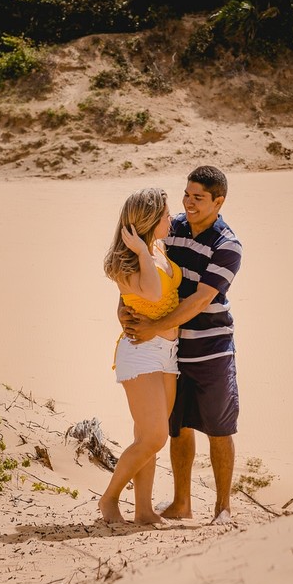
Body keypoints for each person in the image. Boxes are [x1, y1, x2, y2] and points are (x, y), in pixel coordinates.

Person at [122, 166, 242, 525]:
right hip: (171, 349)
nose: (188, 203)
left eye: (198, 198)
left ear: (218, 201)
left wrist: (154, 327)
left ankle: (222, 508)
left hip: (212, 348)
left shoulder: (227, 245)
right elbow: (136, 269)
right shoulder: (170, 228)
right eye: (186, 195)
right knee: (178, 427)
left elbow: (201, 300)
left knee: (220, 429)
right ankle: (181, 504)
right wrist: (124, 310)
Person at [100, 187, 181, 525]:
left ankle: (144, 511)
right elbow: (151, 291)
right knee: (153, 436)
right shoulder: (129, 261)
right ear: (149, 219)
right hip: (140, 353)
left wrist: (149, 251)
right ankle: (109, 499)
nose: (171, 217)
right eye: (165, 213)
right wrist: (143, 253)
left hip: (168, 353)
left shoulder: (158, 248)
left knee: (148, 438)